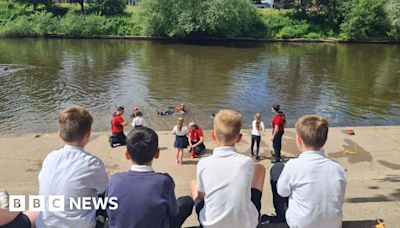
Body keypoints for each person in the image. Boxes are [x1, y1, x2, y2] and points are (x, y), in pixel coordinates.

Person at [191, 109, 266, 228]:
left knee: (194, 184)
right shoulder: (246, 162)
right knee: (260, 168)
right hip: (246, 223)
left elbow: (201, 196)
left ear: (213, 135)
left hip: (210, 224)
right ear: (239, 138)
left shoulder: (203, 163)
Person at [36, 105, 109, 228]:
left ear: (60, 134)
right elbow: (104, 189)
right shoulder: (92, 163)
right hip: (80, 225)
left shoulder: (50, 157)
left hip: (46, 223)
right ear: (88, 135)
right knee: (108, 195)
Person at [106, 127, 194, 228]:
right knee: (186, 201)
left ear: (127, 154)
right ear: (157, 153)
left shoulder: (114, 180)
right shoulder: (164, 181)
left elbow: (108, 211)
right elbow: (173, 212)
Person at [275, 115, 347, 228]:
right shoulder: (338, 168)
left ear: (298, 140)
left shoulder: (293, 165)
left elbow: (282, 192)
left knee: (277, 169)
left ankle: (280, 217)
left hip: (300, 224)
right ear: (325, 139)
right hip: (334, 224)